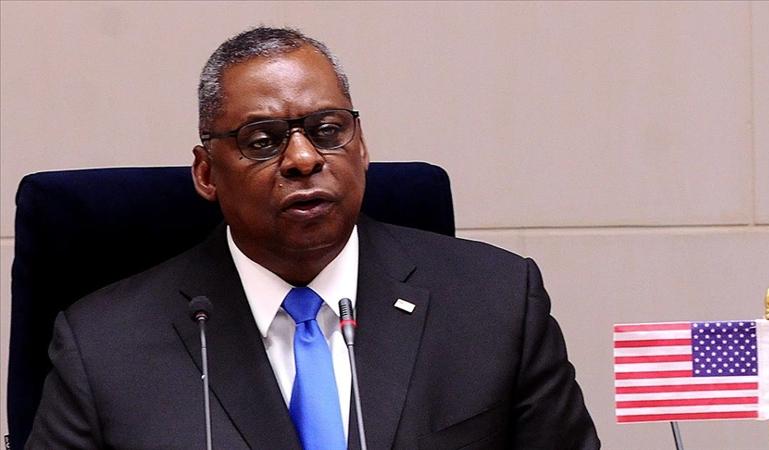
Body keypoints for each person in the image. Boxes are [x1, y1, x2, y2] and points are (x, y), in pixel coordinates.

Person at [27, 27, 600, 449]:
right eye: (262, 140)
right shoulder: (103, 348)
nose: (303, 158)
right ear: (206, 173)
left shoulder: (496, 302)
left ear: (362, 146)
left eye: (328, 130)